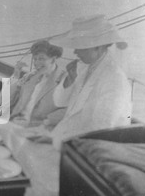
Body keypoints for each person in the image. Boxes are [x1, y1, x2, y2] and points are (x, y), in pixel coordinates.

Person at [48, 14, 132, 148]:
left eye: (81, 47)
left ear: (98, 47)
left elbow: (103, 127)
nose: (75, 52)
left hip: (88, 149)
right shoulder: (83, 69)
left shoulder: (114, 79)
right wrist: (70, 79)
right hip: (66, 139)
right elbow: (59, 102)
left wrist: (67, 145)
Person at [8, 40, 66, 129]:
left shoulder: (65, 79)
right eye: (35, 59)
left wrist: (46, 122)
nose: (36, 63)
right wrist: (16, 75)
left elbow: (67, 109)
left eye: (41, 59)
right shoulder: (29, 76)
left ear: (53, 59)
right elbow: (6, 100)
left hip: (40, 129)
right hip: (15, 122)